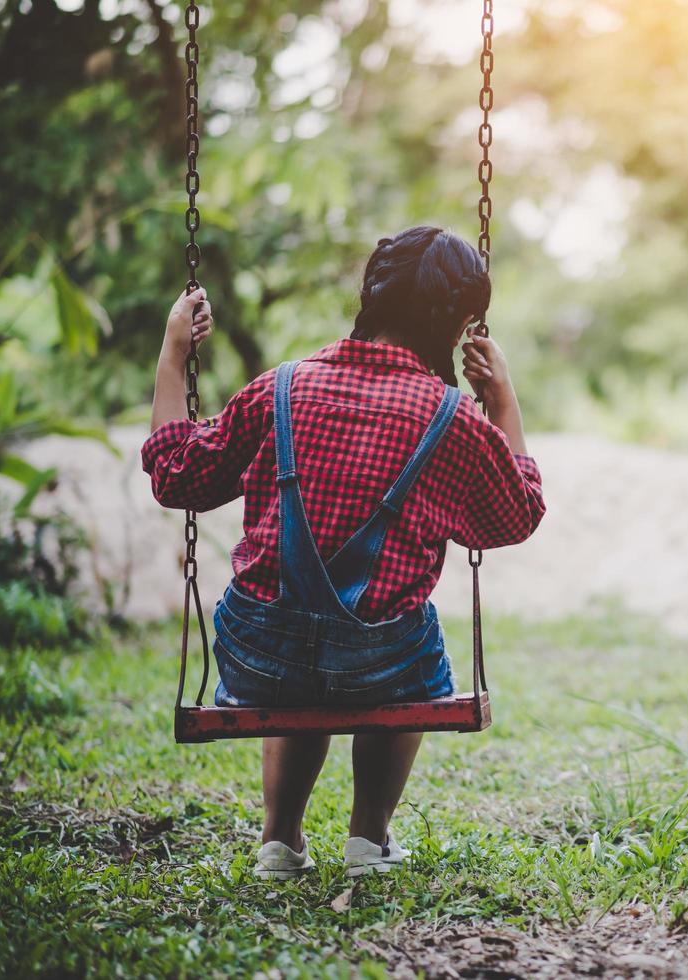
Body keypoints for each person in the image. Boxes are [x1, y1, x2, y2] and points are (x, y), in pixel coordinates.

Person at [143, 226, 545, 880]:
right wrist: (502, 399)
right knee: (400, 630)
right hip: (379, 663)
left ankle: (279, 840)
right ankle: (368, 838)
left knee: (298, 629)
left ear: (370, 296)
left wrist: (172, 353)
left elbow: (177, 477)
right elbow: (515, 516)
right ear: (460, 325)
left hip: (257, 655)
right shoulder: (453, 418)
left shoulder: (278, 388)